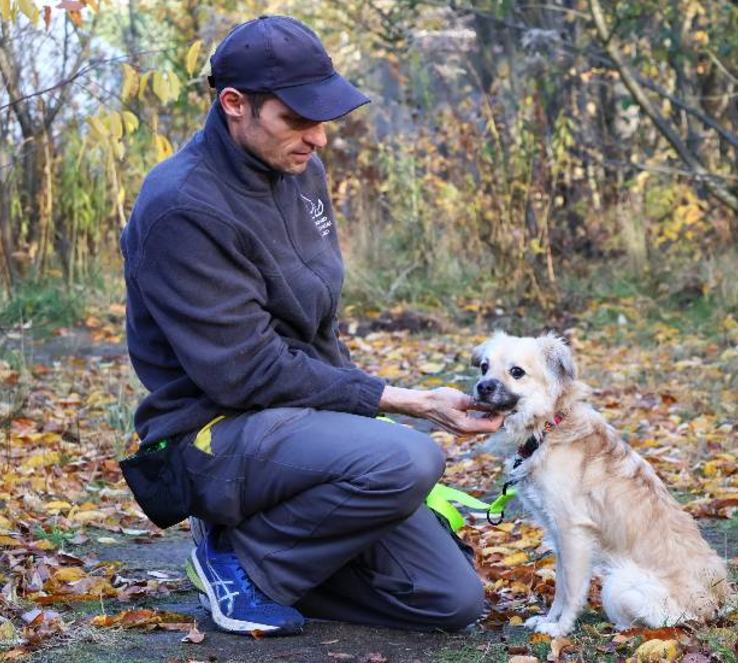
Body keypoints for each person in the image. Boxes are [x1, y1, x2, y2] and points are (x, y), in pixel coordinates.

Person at [120, 15, 503, 636]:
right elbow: (245, 371)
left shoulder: (300, 172)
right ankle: (238, 561)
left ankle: (281, 557)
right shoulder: (181, 207)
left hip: (299, 421)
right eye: (298, 118)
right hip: (212, 433)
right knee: (407, 459)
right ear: (235, 105)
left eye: (324, 117)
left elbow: (315, 329)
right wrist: (400, 403)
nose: (319, 137)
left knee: (448, 601)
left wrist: (362, 424)